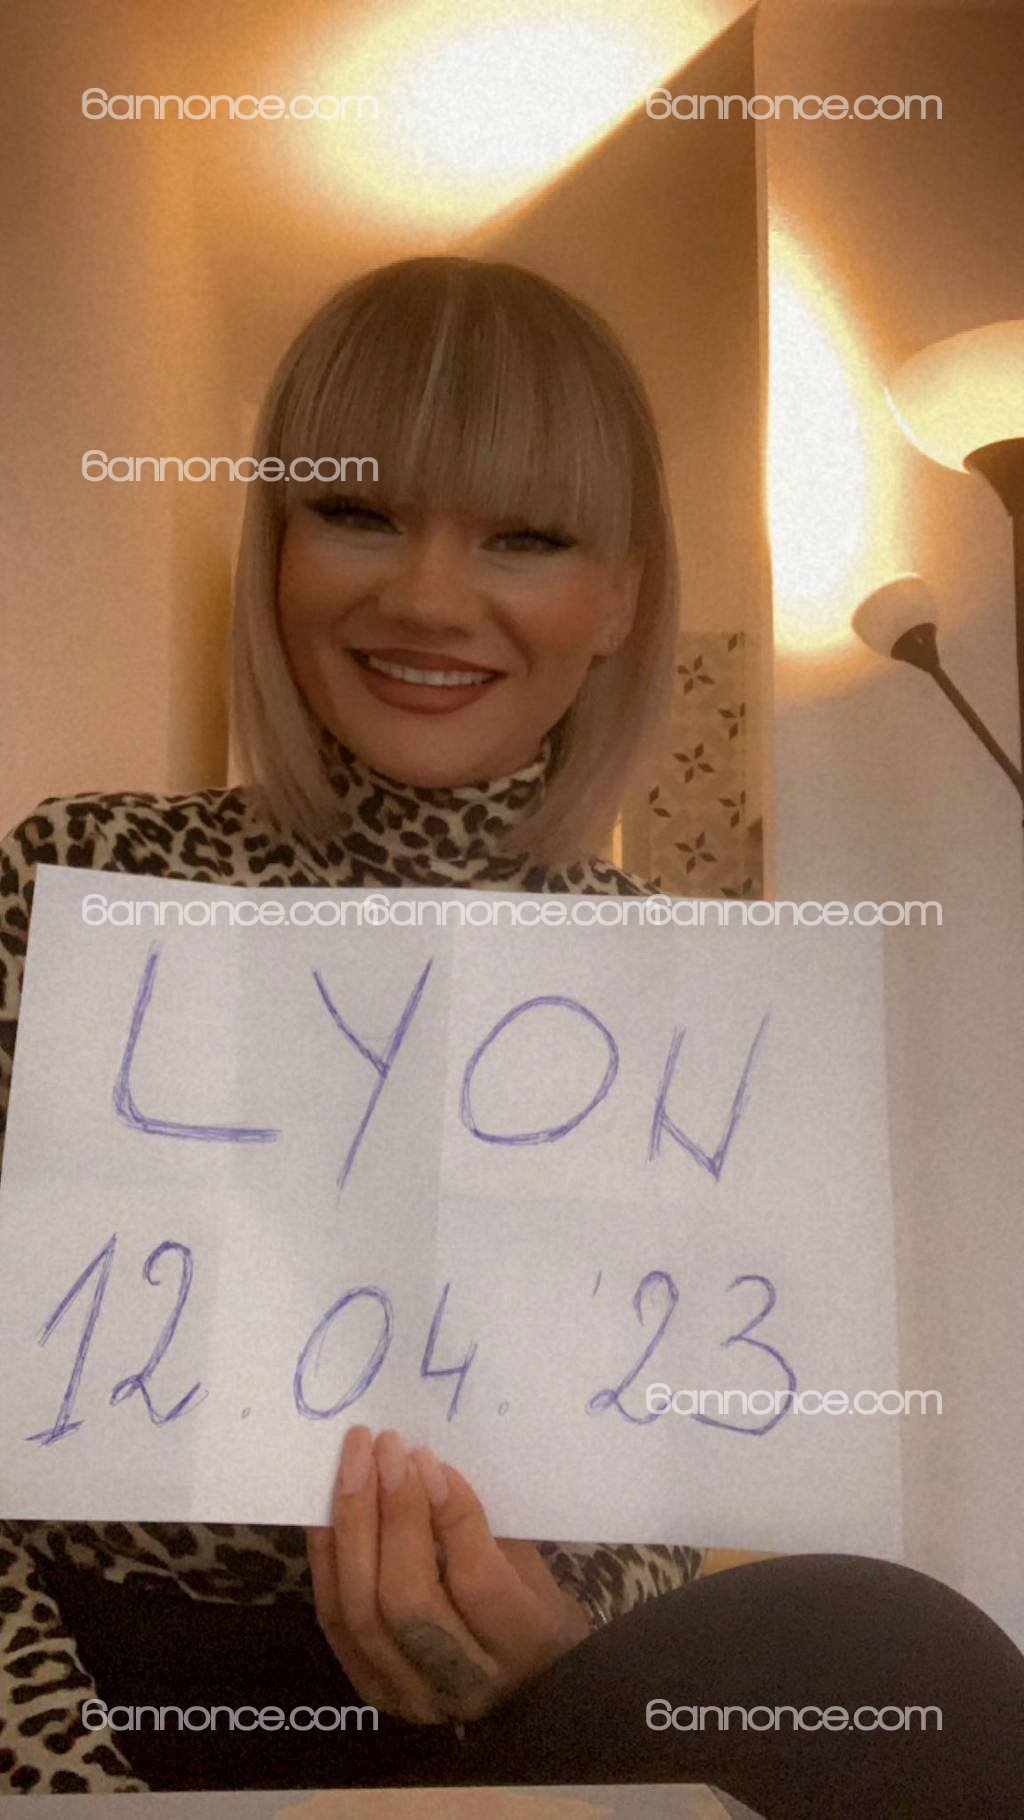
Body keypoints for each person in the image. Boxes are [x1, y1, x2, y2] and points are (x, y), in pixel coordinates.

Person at [1, 257, 1022, 1815]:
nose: (426, 597)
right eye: (358, 513)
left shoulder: (686, 995)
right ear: (276, 549)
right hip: (100, 1706)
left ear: (620, 599)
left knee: (905, 1661)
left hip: (520, 1715)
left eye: (525, 536)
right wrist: (69, 1784)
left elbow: (657, 1486)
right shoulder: (88, 878)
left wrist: (560, 1659)